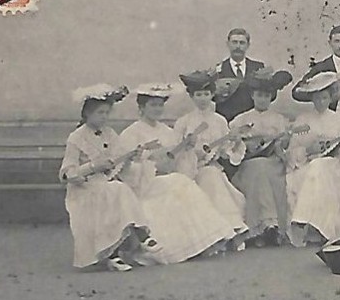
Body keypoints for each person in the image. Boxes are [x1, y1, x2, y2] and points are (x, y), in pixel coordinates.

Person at [119, 83, 246, 262]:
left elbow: (176, 160)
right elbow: (127, 167)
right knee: (179, 183)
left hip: (168, 178)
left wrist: (186, 149)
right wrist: (146, 162)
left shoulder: (166, 131)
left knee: (183, 183)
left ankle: (203, 241)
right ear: (142, 107)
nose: (157, 109)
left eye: (160, 105)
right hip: (144, 184)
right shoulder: (131, 133)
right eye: (152, 105)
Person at [59, 84, 157, 272]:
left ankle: (121, 247)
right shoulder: (76, 138)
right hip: (83, 188)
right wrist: (93, 167)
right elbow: (67, 172)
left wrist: (131, 157)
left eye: (106, 113)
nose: (103, 117)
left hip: (105, 183)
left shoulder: (110, 133)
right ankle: (138, 233)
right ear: (87, 113)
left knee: (116, 189)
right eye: (99, 113)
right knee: (115, 191)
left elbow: (118, 160)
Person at [285, 71, 340, 247]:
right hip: (306, 166)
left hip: (334, 166)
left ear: (330, 98)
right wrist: (308, 150)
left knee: (321, 167)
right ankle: (313, 224)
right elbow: (293, 151)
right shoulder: (303, 119)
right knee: (315, 169)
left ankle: (313, 223)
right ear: (311, 99)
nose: (320, 102)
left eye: (324, 97)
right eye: (317, 98)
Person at [173, 70, 250, 250]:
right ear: (191, 96)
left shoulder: (220, 121)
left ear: (212, 95)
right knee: (210, 177)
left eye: (206, 94)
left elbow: (226, 149)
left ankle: (228, 228)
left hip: (212, 169)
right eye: (198, 95)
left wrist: (233, 146)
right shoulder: (183, 122)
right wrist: (189, 149)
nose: (203, 98)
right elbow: (173, 150)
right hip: (189, 171)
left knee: (213, 176)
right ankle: (224, 230)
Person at [229, 69, 295, 247]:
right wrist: (244, 145)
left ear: (271, 97)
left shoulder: (279, 119)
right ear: (252, 95)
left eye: (266, 96)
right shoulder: (241, 119)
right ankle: (261, 227)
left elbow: (283, 147)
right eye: (259, 95)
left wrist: (283, 142)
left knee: (270, 172)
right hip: (249, 164)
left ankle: (275, 227)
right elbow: (232, 146)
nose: (262, 99)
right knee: (258, 168)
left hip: (273, 162)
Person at [214, 28, 266, 122]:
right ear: (228, 44)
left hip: (253, 121)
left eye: (242, 43)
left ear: (248, 45)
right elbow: (214, 98)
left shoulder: (258, 67)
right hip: (227, 121)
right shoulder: (218, 70)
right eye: (234, 42)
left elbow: (267, 95)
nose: (238, 46)